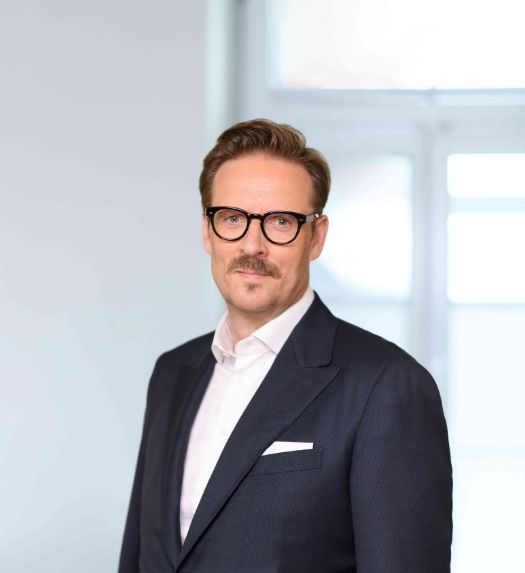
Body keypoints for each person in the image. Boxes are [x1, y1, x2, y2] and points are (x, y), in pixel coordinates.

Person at [118, 119, 452, 573]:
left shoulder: (386, 386)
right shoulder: (173, 373)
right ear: (207, 231)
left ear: (316, 237)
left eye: (280, 222)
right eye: (232, 218)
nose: (252, 245)